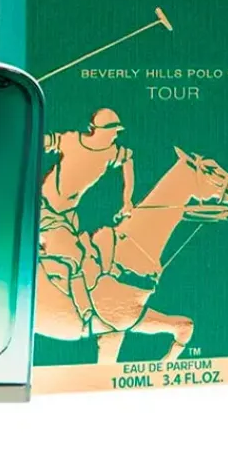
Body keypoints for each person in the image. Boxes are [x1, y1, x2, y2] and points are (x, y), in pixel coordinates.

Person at [41, 108, 135, 335]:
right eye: (113, 130)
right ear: (98, 130)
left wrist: (127, 200)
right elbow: (41, 141)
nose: (116, 135)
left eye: (117, 131)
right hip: (44, 210)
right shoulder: (71, 141)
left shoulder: (111, 152)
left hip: (69, 216)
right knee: (74, 257)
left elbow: (128, 160)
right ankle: (87, 315)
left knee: (88, 256)